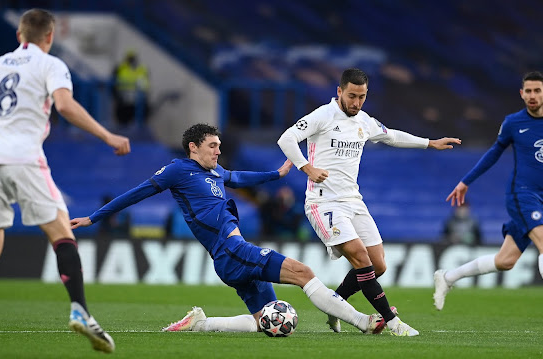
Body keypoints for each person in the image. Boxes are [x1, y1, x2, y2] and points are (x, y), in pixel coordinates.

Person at [70, 123, 415, 336]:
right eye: (213, 146)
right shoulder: (177, 170)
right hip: (230, 249)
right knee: (302, 271)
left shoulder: (217, 173)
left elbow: (238, 177)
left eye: (220, 146)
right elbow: (138, 192)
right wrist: (94, 217)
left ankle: (201, 323)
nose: (219, 150)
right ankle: (363, 321)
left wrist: (276, 175)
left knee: (264, 319)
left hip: (229, 256)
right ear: (193, 147)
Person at [0, 9, 130, 353]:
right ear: (49, 37)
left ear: (19, 36)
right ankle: (82, 311)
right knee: (61, 233)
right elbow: (65, 106)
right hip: (24, 159)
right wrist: (107, 135)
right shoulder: (50, 65)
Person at [277, 68, 460, 335]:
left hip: (353, 201)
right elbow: (287, 138)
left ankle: (334, 306)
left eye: (362, 97)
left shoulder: (364, 120)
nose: (356, 102)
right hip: (323, 202)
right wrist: (306, 167)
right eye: (352, 96)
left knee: (378, 265)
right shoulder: (323, 115)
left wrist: (429, 142)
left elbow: (392, 136)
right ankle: (392, 321)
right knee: (361, 257)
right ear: (339, 91)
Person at [435, 71, 543, 323]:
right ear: (521, 94)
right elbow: (492, 154)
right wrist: (465, 181)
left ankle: (448, 277)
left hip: (539, 197)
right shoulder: (513, 123)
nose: (532, 95)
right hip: (520, 195)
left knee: (505, 261)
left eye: (537, 91)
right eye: (528, 91)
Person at [112, 50, 150, 127]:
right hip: (123, 101)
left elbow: (146, 84)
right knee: (122, 123)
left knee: (139, 124)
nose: (131, 60)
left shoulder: (142, 69)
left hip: (138, 101)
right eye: (130, 58)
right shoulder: (120, 68)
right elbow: (113, 82)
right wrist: (116, 97)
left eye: (133, 58)